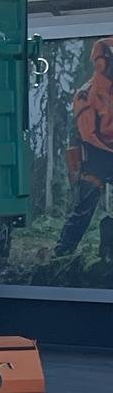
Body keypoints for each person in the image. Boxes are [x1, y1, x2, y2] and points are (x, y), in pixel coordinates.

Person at [54, 37, 113, 255]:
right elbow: (87, 134)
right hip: (94, 154)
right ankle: (61, 254)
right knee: (83, 209)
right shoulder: (87, 94)